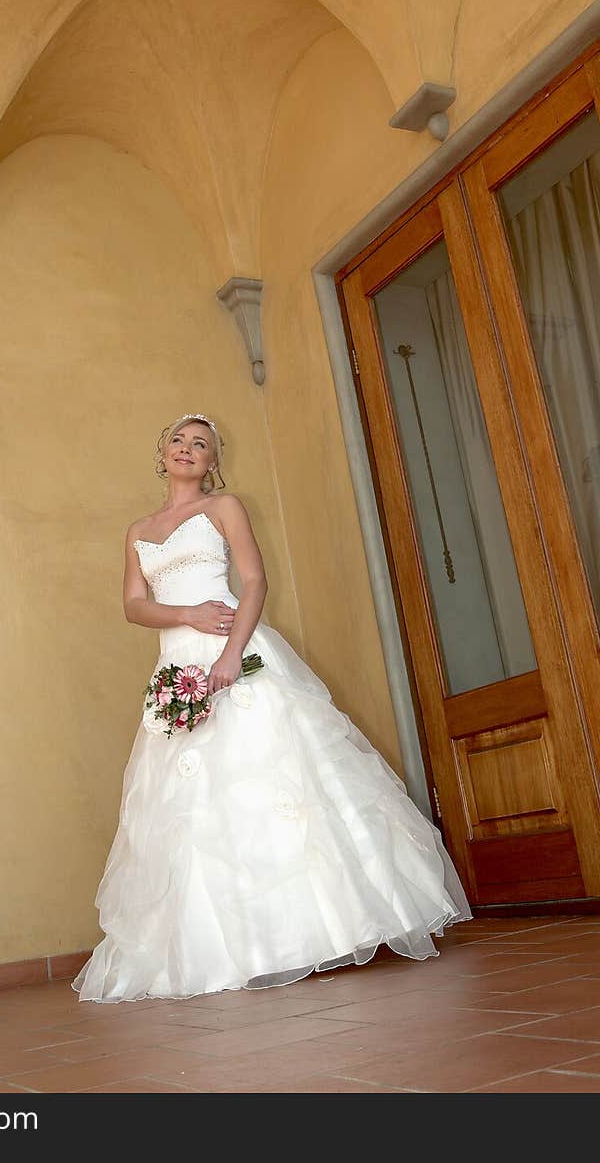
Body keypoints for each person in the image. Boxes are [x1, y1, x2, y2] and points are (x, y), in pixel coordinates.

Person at [72, 414, 471, 1003]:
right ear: (163, 453)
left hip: (237, 649)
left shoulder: (224, 507)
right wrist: (186, 616)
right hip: (177, 664)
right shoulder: (138, 530)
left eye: (200, 445)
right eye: (179, 441)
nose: (188, 450)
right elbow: (134, 605)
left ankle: (321, 930)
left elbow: (254, 581)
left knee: (273, 775)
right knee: (191, 800)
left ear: (213, 461)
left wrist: (231, 653)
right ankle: (223, 948)